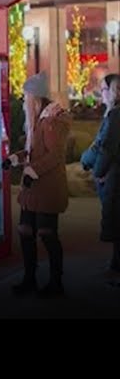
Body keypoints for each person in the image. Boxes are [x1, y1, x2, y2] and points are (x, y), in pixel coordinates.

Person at [4, 71, 72, 297]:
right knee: (25, 231)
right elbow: (35, 151)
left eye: (25, 97)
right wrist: (15, 158)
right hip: (33, 188)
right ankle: (29, 278)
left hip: (47, 188)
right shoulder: (39, 119)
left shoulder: (51, 120)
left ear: (35, 96)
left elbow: (55, 155)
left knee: (46, 233)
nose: (23, 101)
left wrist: (31, 171)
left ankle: (56, 283)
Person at [81, 73, 120, 283]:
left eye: (103, 90)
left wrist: (97, 171)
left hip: (114, 178)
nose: (101, 94)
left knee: (116, 222)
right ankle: (115, 265)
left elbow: (105, 148)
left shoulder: (115, 116)